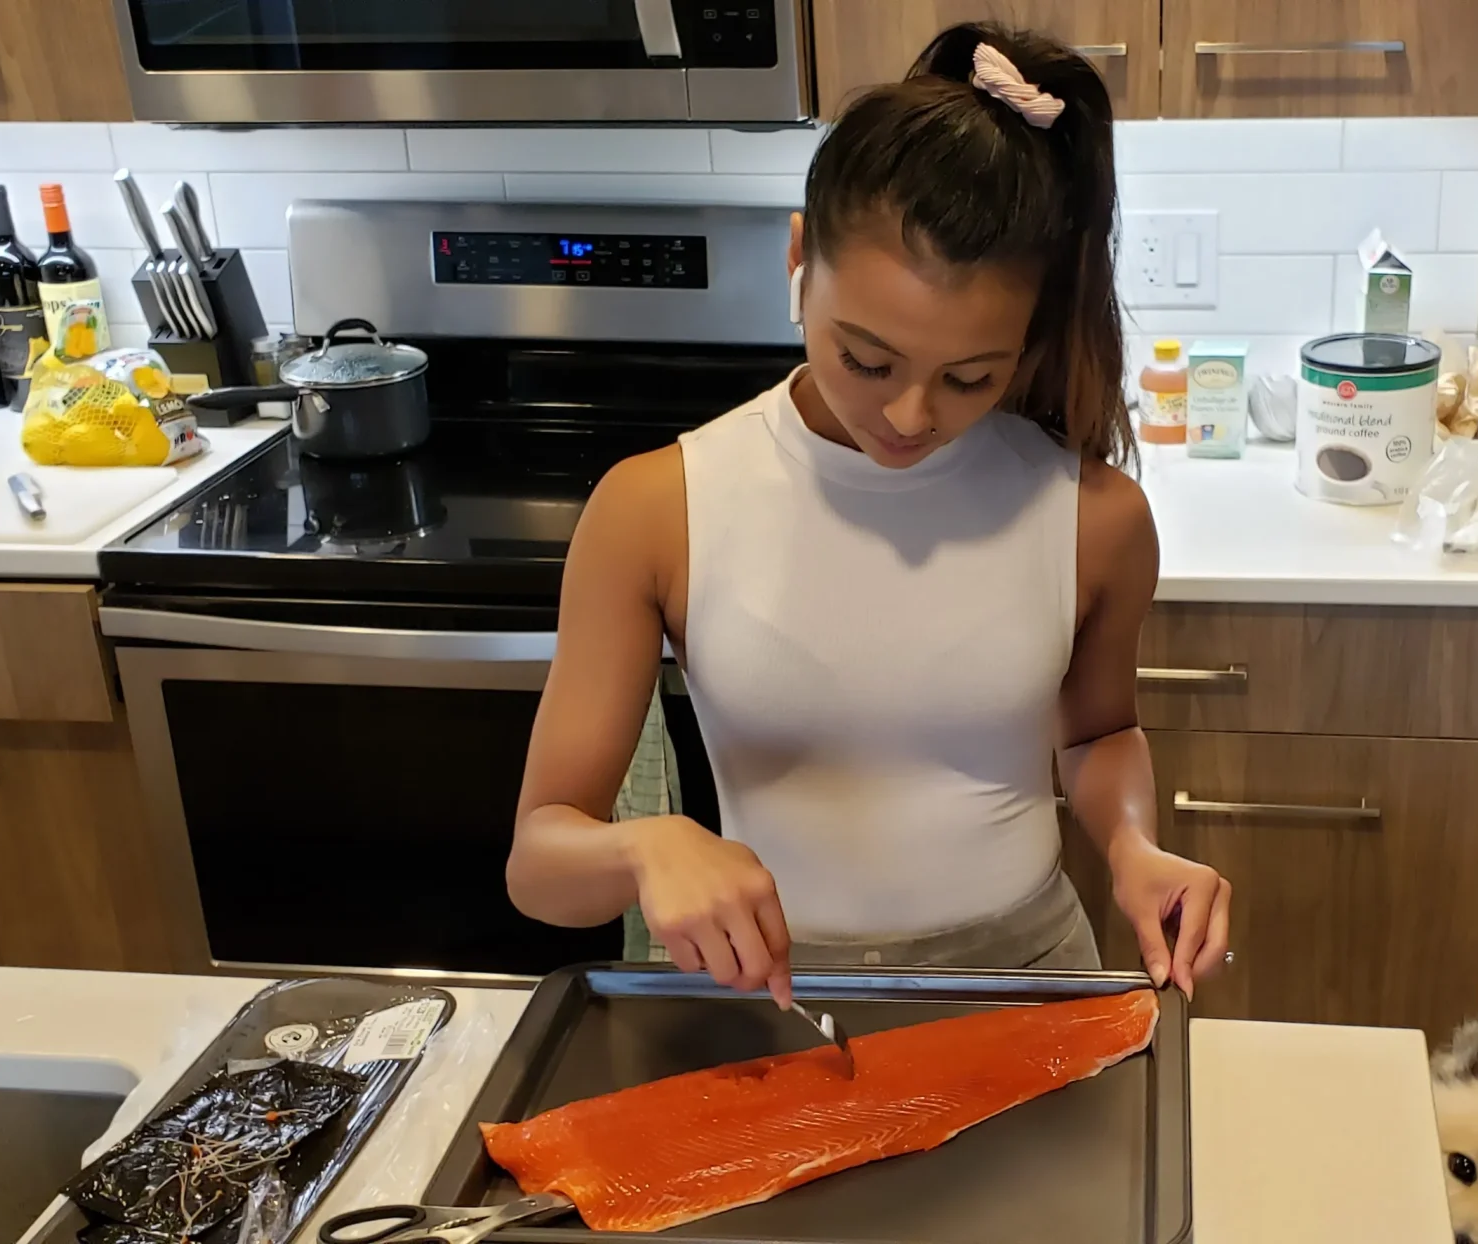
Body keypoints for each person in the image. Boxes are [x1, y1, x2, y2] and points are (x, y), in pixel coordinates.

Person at [508, 23, 1232, 1007]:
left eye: (970, 377)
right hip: (773, 994)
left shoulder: (1092, 517)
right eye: (867, 358)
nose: (909, 416)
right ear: (799, 258)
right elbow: (539, 865)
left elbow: (1099, 734)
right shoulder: (656, 509)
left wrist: (1135, 846)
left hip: (1024, 981)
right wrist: (648, 848)